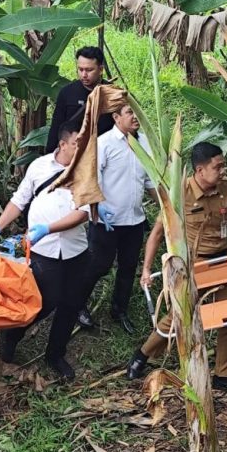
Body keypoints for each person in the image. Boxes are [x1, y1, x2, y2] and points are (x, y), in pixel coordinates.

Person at [126, 142, 227, 390]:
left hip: (225, 258)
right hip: (195, 265)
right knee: (180, 313)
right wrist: (146, 270)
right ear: (200, 170)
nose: (223, 171)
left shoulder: (226, 187)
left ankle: (224, 375)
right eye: (217, 167)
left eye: (223, 165)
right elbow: (156, 234)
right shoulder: (179, 192)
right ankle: (143, 355)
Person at [0, 122, 89, 380]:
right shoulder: (39, 167)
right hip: (43, 251)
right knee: (42, 301)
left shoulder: (86, 170)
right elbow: (19, 200)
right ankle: (12, 337)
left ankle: (55, 354)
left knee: (71, 304)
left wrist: (48, 228)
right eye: (76, 143)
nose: (80, 148)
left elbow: (83, 212)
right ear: (62, 144)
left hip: (75, 249)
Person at [77, 104, 159, 333]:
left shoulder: (144, 143)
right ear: (116, 117)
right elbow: (92, 179)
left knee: (128, 266)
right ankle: (77, 305)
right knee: (98, 265)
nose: (135, 117)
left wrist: (165, 203)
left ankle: (119, 309)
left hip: (134, 220)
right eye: (130, 112)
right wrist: (97, 209)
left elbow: (149, 180)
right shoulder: (104, 144)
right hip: (107, 221)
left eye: (137, 112)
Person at [45, 46, 114, 153]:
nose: (84, 75)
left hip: (104, 153)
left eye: (89, 70)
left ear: (100, 69)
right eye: (80, 69)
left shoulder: (112, 93)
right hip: (73, 153)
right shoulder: (67, 93)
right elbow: (56, 128)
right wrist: (50, 156)